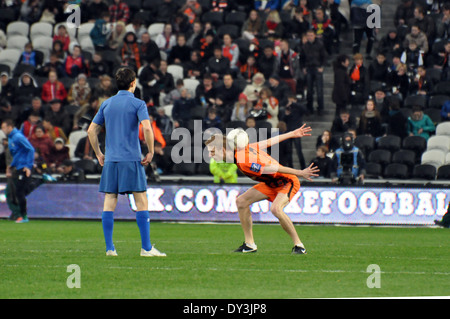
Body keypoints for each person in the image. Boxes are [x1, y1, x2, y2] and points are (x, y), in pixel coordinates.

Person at [87, 67, 166, 257]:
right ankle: (146, 248)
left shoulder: (107, 104)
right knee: (141, 200)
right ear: (133, 83)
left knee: (109, 201)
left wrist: (98, 153)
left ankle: (109, 248)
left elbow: (91, 131)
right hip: (131, 158)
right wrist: (150, 151)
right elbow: (147, 128)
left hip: (111, 159)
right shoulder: (138, 104)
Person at [205, 124, 319, 254]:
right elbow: (269, 142)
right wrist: (292, 133)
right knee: (241, 202)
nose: (209, 155)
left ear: (223, 150)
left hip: (286, 181)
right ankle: (249, 244)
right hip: (270, 184)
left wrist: (299, 172)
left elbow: (273, 168)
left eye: (212, 151)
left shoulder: (245, 161)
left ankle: (299, 245)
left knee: (276, 209)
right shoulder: (243, 151)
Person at [1, 119, 35, 223]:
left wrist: (28, 166)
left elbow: (31, 149)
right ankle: (20, 215)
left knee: (20, 192)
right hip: (17, 167)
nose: (2, 129)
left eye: (4, 127)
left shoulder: (18, 137)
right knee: (18, 191)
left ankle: (23, 216)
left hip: (24, 167)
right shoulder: (12, 138)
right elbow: (17, 154)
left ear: (10, 126)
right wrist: (12, 166)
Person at [300, 30, 327, 115]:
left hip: (317, 67)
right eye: (308, 35)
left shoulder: (320, 44)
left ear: (314, 35)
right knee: (309, 90)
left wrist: (322, 66)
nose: (309, 37)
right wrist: (303, 68)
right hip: (308, 68)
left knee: (319, 90)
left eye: (311, 35)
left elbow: (324, 56)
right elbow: (302, 58)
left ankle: (321, 108)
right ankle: (309, 108)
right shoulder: (304, 46)